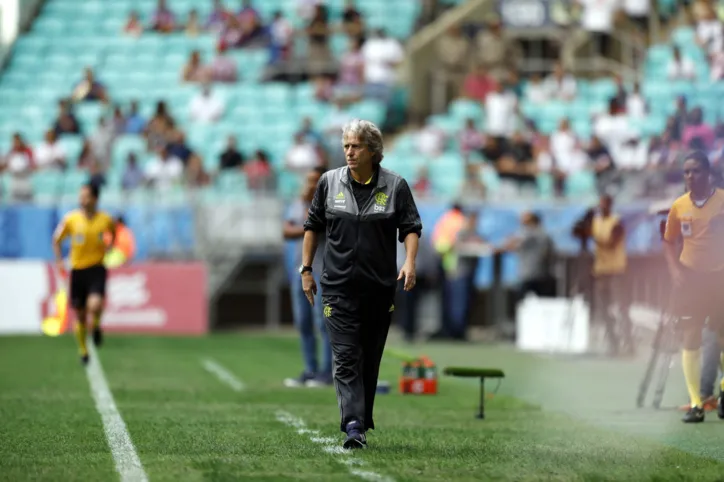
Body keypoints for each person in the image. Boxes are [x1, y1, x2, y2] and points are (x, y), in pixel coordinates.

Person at [302, 119, 422, 449]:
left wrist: (409, 262)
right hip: (337, 288)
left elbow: (411, 228)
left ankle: (362, 420)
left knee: (369, 359)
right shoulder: (328, 183)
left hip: (379, 289)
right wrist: (306, 269)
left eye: (355, 146)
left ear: (372, 150)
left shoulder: (396, 186)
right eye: (346, 147)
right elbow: (312, 226)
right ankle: (352, 424)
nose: (349, 152)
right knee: (345, 355)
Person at [662, 150, 724, 423]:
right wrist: (675, 270)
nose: (690, 175)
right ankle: (696, 403)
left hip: (719, 276)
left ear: (707, 173)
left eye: (695, 170)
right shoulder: (679, 206)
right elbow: (669, 241)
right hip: (690, 277)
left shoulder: (722, 201)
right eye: (686, 171)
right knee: (690, 336)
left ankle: (722, 391)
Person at [52, 183, 115, 366]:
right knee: (79, 314)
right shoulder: (71, 219)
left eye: (86, 196)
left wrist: (108, 246)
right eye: (81, 196)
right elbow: (56, 240)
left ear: (95, 199)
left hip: (96, 268)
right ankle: (83, 351)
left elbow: (112, 233)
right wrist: (59, 261)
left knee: (94, 305)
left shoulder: (105, 219)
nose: (82, 199)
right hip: (78, 271)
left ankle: (95, 326)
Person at [283, 167, 333, 388]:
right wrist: (307, 224)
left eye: (316, 181)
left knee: (323, 323)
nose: (311, 185)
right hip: (300, 270)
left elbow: (316, 226)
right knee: (303, 322)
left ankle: (327, 372)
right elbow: (286, 231)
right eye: (309, 180)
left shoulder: (331, 203)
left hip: (322, 271)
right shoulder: (300, 204)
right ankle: (310, 369)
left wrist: (305, 225)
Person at [590, 194, 633, 356]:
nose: (601, 207)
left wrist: (594, 240)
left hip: (617, 271)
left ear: (609, 205)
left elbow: (611, 242)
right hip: (601, 270)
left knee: (622, 308)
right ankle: (613, 343)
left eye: (603, 204)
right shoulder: (595, 221)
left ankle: (628, 342)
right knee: (604, 309)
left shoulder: (617, 221)